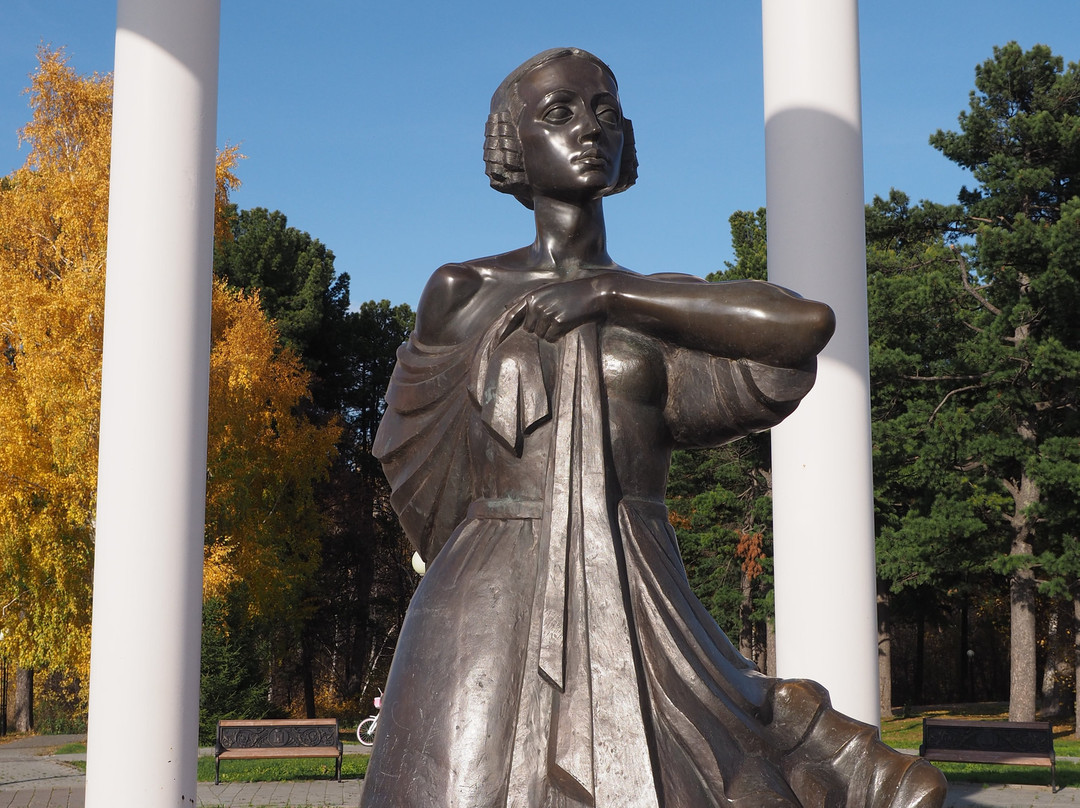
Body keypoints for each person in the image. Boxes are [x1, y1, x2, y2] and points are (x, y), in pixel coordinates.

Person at [362, 48, 946, 808]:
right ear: (513, 142)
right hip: (484, 591)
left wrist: (610, 295)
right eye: (559, 112)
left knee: (683, 784)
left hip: (635, 578)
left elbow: (804, 325)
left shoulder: (657, 300)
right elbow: (416, 462)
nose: (589, 128)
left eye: (606, 112)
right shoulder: (462, 289)